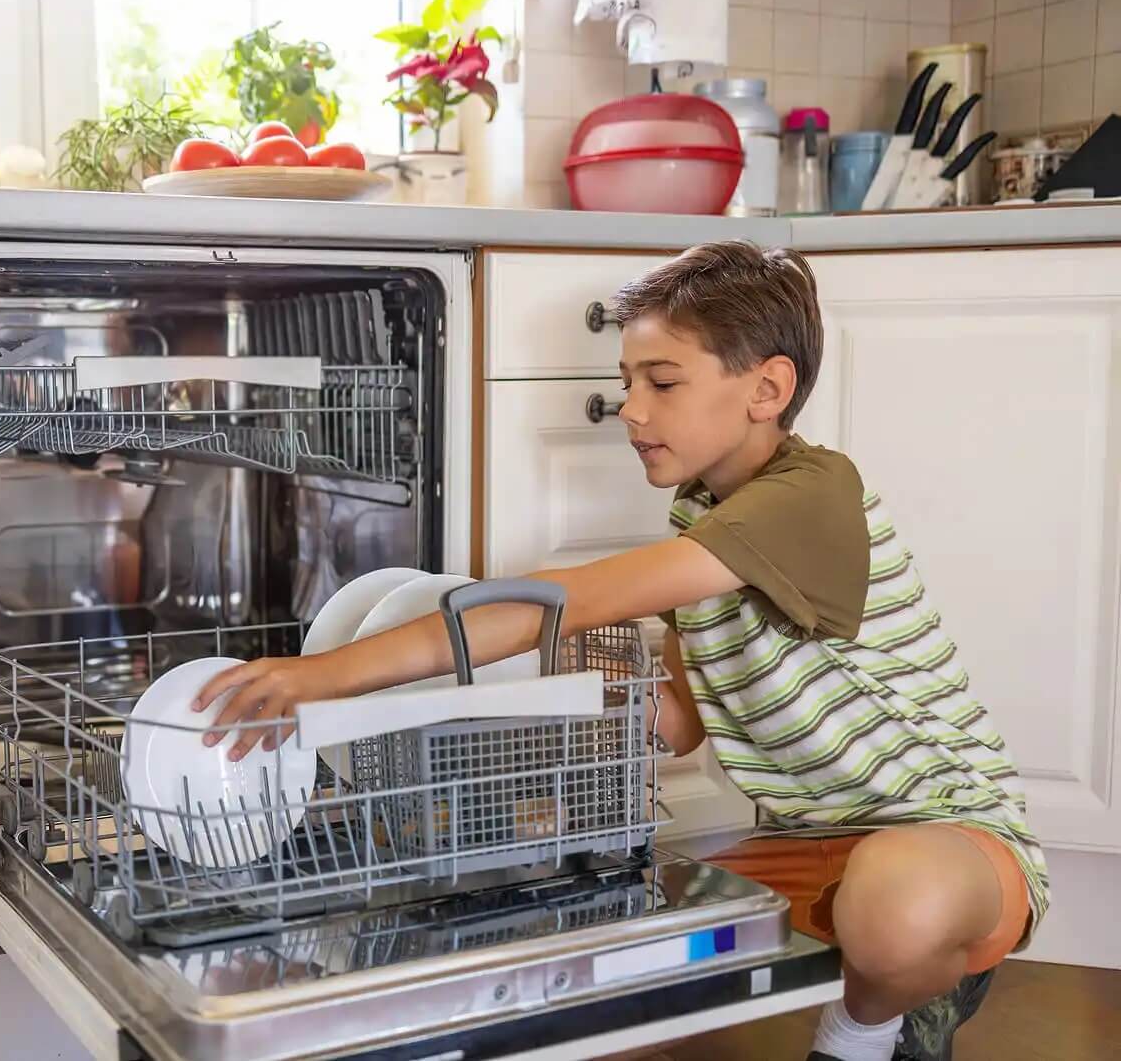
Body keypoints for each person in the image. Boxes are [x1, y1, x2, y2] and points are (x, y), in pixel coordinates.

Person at [192, 241, 1048, 1061]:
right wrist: (588, 703)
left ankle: (872, 1027)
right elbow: (680, 723)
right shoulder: (698, 517)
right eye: (626, 381)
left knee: (893, 909)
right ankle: (880, 971)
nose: (632, 409)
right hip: (814, 836)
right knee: (614, 929)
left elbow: (562, 600)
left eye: (662, 381)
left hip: (954, 841)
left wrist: (320, 678)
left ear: (767, 388)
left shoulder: (814, 493)